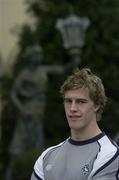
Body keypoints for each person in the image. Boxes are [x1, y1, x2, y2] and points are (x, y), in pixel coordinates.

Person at [31, 68, 119, 180]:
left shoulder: (109, 155)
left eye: (81, 102)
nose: (72, 108)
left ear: (96, 105)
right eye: (68, 101)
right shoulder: (46, 156)